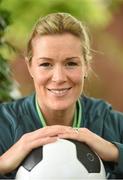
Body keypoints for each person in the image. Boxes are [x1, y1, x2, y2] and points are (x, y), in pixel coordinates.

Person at [0, 12, 123, 179]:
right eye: (45, 64)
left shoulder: (113, 124)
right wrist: (2, 163)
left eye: (71, 63)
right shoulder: (4, 125)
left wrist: (116, 153)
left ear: (86, 66)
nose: (58, 78)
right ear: (30, 67)